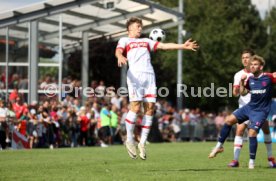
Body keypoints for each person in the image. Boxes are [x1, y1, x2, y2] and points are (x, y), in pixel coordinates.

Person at [115, 17, 199, 160]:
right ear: (129, 28)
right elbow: (118, 51)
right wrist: (120, 56)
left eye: (141, 26)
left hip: (149, 76)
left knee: (150, 109)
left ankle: (142, 143)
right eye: (137, 26)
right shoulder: (124, 40)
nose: (140, 29)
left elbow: (164, 46)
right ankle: (129, 140)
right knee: (135, 108)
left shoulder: (147, 41)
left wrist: (183, 46)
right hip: (135, 75)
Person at [208, 55, 276, 169]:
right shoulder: (250, 79)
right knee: (229, 120)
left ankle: (251, 163)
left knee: (252, 133)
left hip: (261, 111)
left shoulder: (269, 77)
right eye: (251, 65)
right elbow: (243, 93)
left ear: (261, 67)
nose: (252, 66)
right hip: (249, 107)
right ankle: (219, 146)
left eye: (255, 65)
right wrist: (242, 82)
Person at [227, 49, 276, 167]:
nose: (245, 60)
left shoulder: (259, 72)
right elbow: (235, 92)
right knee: (239, 130)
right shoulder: (239, 74)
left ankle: (270, 158)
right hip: (244, 106)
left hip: (259, 108)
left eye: (247, 57)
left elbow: (271, 77)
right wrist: (238, 87)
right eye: (243, 57)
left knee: (265, 130)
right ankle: (235, 160)